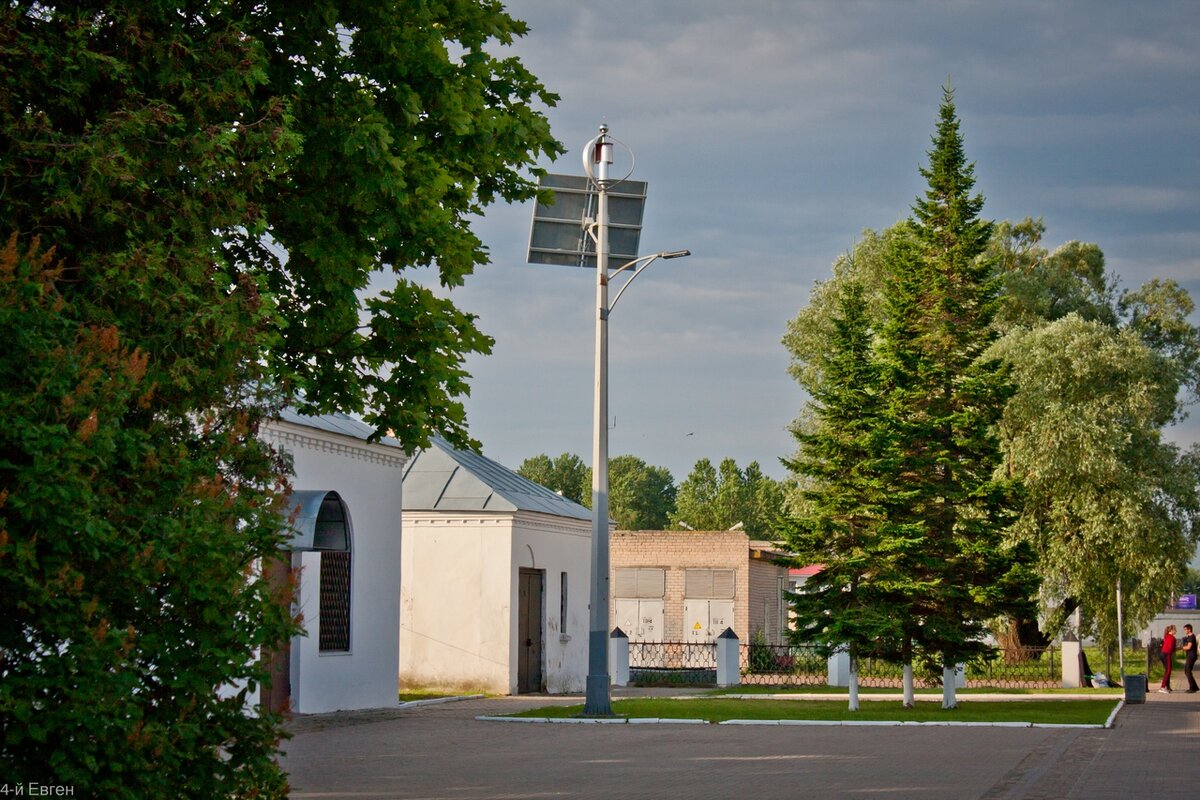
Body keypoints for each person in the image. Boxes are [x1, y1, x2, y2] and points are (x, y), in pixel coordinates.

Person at [1158, 625, 1177, 693]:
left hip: (1162, 654)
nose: (1176, 631)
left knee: (1167, 670)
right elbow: (1172, 648)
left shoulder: (1166, 636)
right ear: (1171, 630)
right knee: (1168, 671)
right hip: (1167, 654)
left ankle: (1167, 686)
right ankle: (1162, 687)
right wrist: (1180, 648)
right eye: (1175, 630)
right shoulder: (1173, 638)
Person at [1182, 624, 1198, 693]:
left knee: (1187, 671)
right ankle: (1195, 687)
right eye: (1184, 629)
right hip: (1190, 655)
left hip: (1191, 656)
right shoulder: (1189, 637)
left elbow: (1189, 647)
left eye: (1185, 629)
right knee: (1186, 671)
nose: (1184, 631)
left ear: (1189, 629)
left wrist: (1180, 648)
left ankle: (1192, 688)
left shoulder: (1191, 637)